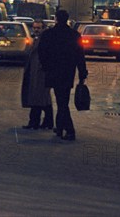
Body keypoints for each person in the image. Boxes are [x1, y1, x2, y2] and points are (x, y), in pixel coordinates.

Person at [38, 10, 88, 141]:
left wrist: (45, 66)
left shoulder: (48, 35)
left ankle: (70, 131)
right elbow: (80, 56)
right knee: (63, 99)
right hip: (68, 72)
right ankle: (60, 127)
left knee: (61, 102)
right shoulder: (74, 35)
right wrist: (83, 72)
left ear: (56, 19)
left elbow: (41, 53)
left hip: (53, 72)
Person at [21, 20, 53, 130]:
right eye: (34, 28)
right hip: (35, 72)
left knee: (40, 98)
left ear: (43, 28)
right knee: (41, 98)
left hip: (41, 73)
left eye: (38, 28)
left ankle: (36, 122)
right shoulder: (36, 39)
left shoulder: (45, 40)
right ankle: (45, 122)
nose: (36, 30)